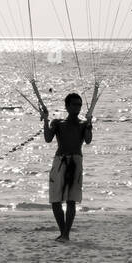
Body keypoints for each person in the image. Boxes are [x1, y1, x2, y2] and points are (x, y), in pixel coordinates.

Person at [43, 93, 92, 241]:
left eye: (79, 105)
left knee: (71, 200)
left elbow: (88, 140)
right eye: (74, 104)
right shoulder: (58, 122)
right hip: (60, 160)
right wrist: (45, 120)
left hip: (75, 161)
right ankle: (63, 232)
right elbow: (47, 138)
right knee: (55, 199)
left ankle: (66, 234)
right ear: (67, 106)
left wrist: (89, 126)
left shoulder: (83, 124)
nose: (77, 108)